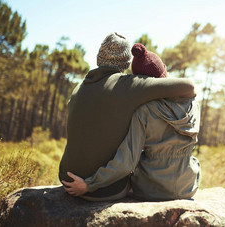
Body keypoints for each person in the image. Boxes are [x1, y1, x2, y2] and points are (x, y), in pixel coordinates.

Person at [59, 33, 196, 201]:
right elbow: (188, 86)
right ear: (125, 64)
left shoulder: (79, 88)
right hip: (102, 191)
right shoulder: (127, 85)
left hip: (67, 179)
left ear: (97, 58)